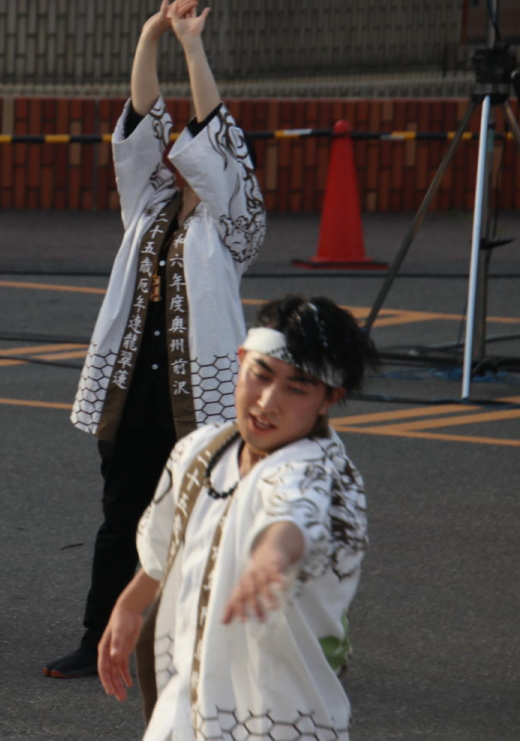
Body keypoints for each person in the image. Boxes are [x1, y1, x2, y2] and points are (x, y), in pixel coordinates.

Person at [44, 0, 266, 679]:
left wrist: (194, 48)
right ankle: (98, 636)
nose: (177, 149)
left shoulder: (233, 224)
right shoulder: (148, 209)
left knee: (208, 516)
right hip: (132, 385)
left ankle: (224, 643)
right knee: (122, 515)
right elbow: (139, 126)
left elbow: (213, 127)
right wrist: (149, 38)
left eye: (193, 144)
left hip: (197, 395)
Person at [98, 296, 377, 741]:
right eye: (261, 376)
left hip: (283, 716)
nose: (268, 402)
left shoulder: (323, 472)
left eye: (297, 388)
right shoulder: (200, 450)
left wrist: (271, 557)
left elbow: (294, 513)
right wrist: (131, 604)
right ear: (241, 360)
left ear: (329, 399)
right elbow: (167, 543)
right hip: (187, 700)